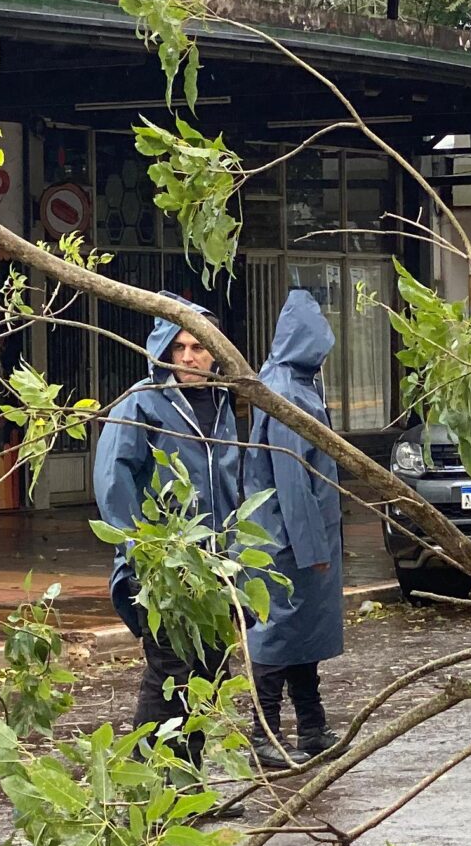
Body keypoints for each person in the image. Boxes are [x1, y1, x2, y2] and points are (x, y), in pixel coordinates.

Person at [94, 306, 239, 733]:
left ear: (216, 352)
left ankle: (189, 773)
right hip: (162, 570)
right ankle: (149, 773)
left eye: (198, 347)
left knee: (210, 675)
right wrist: (141, 550)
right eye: (178, 348)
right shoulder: (143, 401)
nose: (188, 357)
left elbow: (229, 485)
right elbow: (112, 479)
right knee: (170, 676)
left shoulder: (222, 402)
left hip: (211, 571)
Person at [243, 288, 344, 768]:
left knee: (299, 633)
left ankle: (312, 726)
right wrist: (312, 548)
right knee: (276, 633)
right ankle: (264, 732)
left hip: (294, 539)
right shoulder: (285, 391)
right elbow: (291, 479)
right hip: (285, 541)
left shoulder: (292, 384)